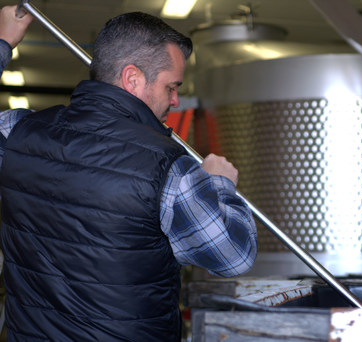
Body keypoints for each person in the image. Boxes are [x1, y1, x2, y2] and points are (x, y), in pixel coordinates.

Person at [0, 5, 257, 341]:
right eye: (171, 87)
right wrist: (217, 185)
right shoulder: (169, 170)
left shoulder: (17, 133)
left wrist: (4, 41)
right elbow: (234, 255)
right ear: (133, 78)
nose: (176, 100)